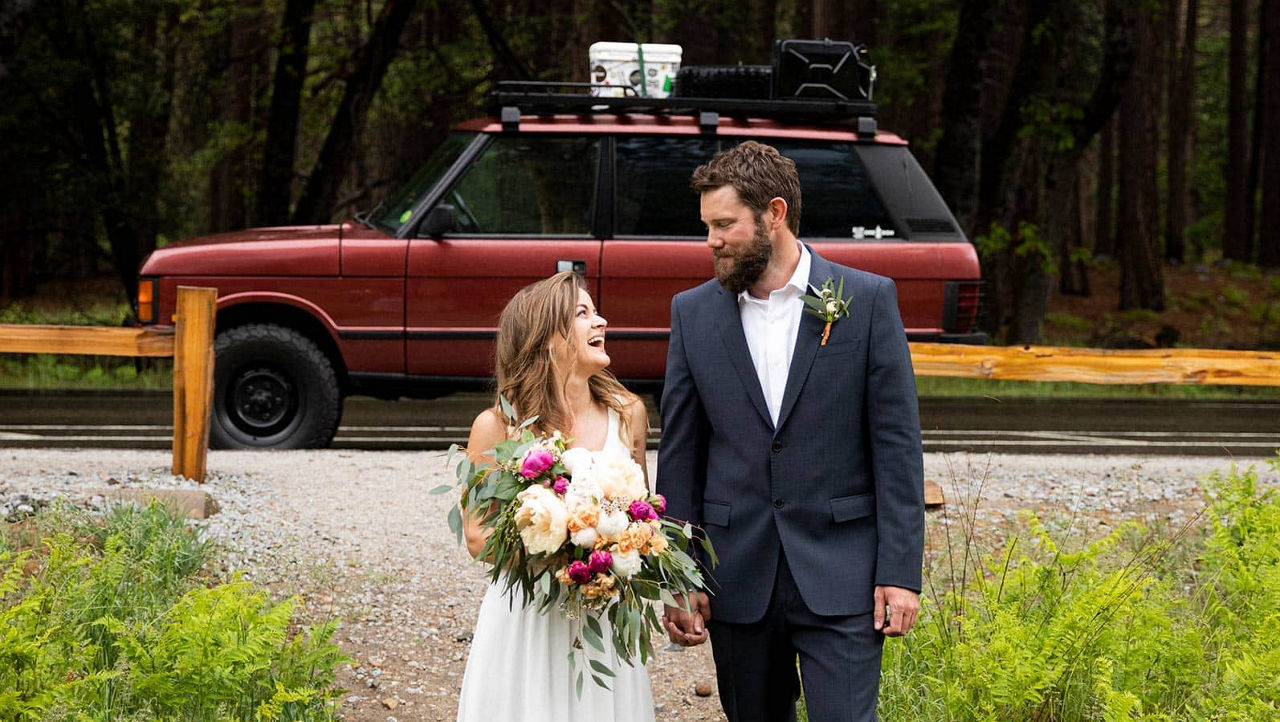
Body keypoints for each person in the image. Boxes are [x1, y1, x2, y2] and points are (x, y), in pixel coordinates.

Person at [656, 141, 925, 722]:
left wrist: (900, 574)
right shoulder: (693, 313)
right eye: (707, 226)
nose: (711, 241)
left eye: (724, 224)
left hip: (843, 573)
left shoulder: (868, 300)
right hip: (737, 572)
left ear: (774, 214)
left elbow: (897, 448)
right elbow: (680, 454)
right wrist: (680, 574)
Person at [455, 271, 654, 722]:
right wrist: (564, 548)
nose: (600, 321)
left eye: (595, 310)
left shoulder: (629, 416)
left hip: (602, 617)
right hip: (529, 615)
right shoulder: (499, 427)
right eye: (582, 314)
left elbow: (646, 515)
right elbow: (476, 535)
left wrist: (617, 545)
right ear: (547, 339)